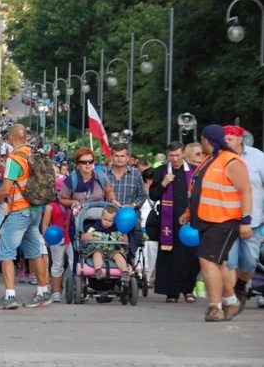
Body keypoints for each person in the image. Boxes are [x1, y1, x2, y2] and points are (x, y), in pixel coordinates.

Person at [180, 125, 252, 322]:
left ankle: (216, 307)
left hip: (225, 220)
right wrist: (188, 212)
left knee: (206, 259)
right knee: (218, 263)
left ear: (206, 140)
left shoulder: (231, 161)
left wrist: (246, 220)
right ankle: (230, 301)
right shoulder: (210, 160)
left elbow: (246, 190)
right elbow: (199, 189)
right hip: (207, 218)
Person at [0, 124, 52, 310]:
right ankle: (42, 291)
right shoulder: (33, 155)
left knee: (6, 252)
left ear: (10, 139)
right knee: (34, 251)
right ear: (26, 137)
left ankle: (10, 296)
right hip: (35, 209)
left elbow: (5, 190)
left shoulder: (13, 160)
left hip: (19, 210)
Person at [149, 141, 200, 303]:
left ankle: (188, 290)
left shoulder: (193, 171)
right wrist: (164, 183)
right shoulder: (161, 171)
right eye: (172, 156)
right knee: (170, 256)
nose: (175, 159)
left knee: (190, 255)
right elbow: (153, 195)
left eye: (178, 155)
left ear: (183, 153)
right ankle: (172, 292)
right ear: (167, 155)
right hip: (168, 221)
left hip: (189, 220)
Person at [223, 125, 264, 312]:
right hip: (227, 220)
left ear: (240, 139)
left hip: (253, 221)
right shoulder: (221, 158)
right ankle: (232, 299)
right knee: (229, 262)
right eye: (225, 139)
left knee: (250, 261)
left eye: (230, 139)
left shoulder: (257, 157)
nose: (227, 142)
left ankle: (241, 284)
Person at [81, 205, 130, 282]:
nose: (107, 222)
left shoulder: (117, 228)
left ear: (114, 221)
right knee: (97, 253)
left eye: (110, 221)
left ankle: (125, 272)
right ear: (101, 217)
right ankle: (98, 271)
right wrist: (92, 238)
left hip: (112, 250)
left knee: (118, 255)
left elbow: (126, 239)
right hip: (98, 248)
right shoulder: (96, 227)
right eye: (105, 219)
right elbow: (83, 237)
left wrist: (123, 239)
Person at [42, 199, 72, 302]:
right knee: (57, 264)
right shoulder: (51, 206)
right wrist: (45, 237)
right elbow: (45, 223)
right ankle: (56, 292)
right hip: (56, 236)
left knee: (75, 263)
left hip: (71, 236)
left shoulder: (72, 203)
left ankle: (78, 289)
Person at [104, 144, 148, 212]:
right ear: (111, 157)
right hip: (107, 216)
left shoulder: (136, 174)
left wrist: (134, 205)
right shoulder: (103, 173)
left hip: (128, 216)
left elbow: (142, 195)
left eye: (122, 156)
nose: (119, 159)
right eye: (116, 156)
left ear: (127, 158)